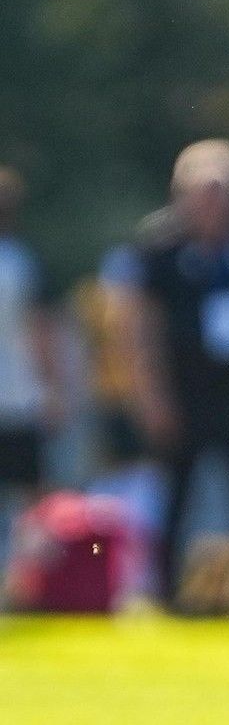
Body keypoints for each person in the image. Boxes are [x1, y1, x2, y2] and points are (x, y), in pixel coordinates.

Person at [120, 140, 229, 604]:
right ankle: (163, 592)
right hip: (182, 390)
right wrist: (151, 396)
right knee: (174, 498)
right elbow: (139, 329)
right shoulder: (160, 252)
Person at [0, 169, 61, 539]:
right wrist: (54, 387)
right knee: (32, 500)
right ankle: (31, 578)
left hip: (16, 395)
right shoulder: (21, 262)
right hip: (20, 396)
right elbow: (41, 331)